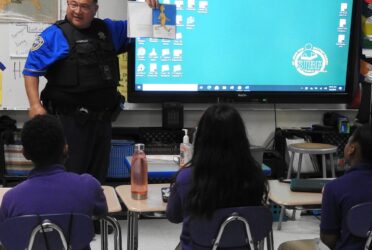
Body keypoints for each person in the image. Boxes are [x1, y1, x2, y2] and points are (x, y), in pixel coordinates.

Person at [22, 0, 159, 184]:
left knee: (96, 181)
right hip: (69, 123)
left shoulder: (109, 31)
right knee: (70, 180)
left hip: (102, 123)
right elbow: (31, 70)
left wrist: (147, 4)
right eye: (73, 4)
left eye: (85, 6)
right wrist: (34, 105)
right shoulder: (54, 35)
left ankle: (93, 213)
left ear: (95, 9)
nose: (77, 11)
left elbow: (145, 24)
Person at [278, 114, 372, 250]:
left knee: (287, 246)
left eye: (348, 141)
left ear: (352, 148)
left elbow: (327, 240)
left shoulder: (334, 189)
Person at [166, 104, 268, 250]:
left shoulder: (187, 177)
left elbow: (174, 216)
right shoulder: (254, 174)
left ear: (201, 138)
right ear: (241, 138)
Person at [0, 115, 107, 249]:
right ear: (65, 148)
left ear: (24, 153)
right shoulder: (88, 186)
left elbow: (6, 237)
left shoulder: (11, 199)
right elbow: (102, 213)